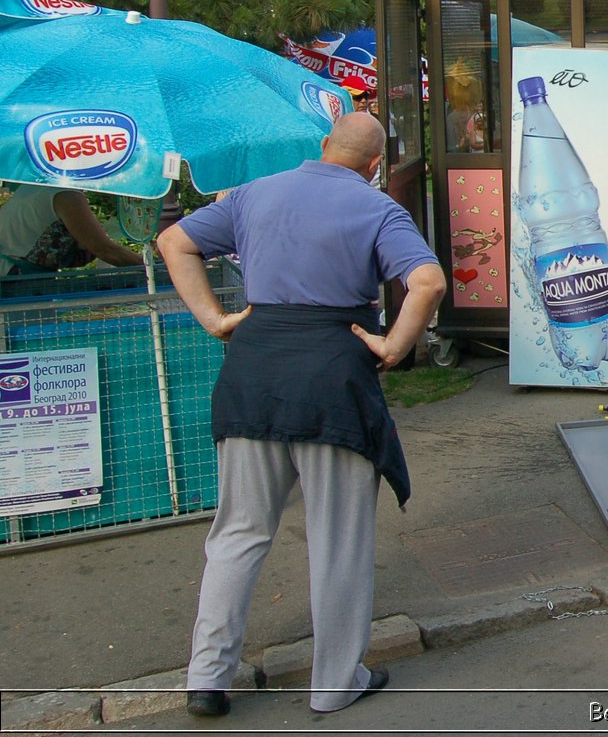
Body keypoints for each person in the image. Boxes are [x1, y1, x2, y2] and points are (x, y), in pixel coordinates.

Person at [156, 113, 445, 716]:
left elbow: (174, 241)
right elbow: (428, 283)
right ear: (375, 166)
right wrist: (394, 345)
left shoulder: (252, 194)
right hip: (332, 379)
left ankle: (207, 678)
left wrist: (214, 319)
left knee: (238, 532)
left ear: (322, 147)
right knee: (337, 540)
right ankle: (336, 683)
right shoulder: (379, 208)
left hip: (253, 373)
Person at [0, 183, 142, 277]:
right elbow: (105, 250)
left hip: (12, 270)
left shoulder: (35, 185)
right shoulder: (65, 194)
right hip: (18, 276)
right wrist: (154, 267)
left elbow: (35, 238)